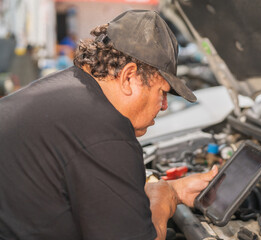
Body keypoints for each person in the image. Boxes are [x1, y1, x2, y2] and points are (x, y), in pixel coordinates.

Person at [0, 10, 218, 240]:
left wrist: (172, 189)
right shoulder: (105, 131)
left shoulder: (68, 90)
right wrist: (163, 202)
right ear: (128, 77)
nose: (164, 106)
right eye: (162, 92)